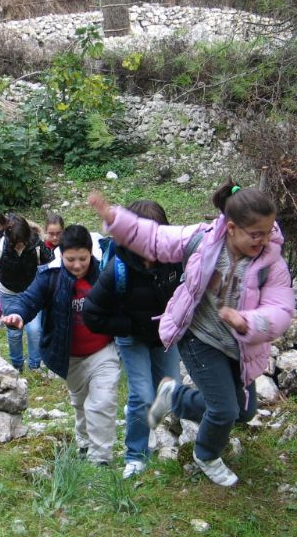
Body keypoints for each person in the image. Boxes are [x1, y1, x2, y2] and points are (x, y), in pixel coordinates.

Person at [89, 181, 294, 487]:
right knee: (224, 410)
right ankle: (207, 454)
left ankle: (173, 396)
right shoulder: (203, 240)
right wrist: (116, 218)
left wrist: (248, 322)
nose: (263, 240)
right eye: (256, 234)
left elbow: (281, 309)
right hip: (200, 339)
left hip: (240, 347)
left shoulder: (270, 264)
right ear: (233, 227)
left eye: (268, 232)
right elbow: (155, 237)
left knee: (244, 412)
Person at [0, 225, 120, 465]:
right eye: (70, 259)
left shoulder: (105, 275)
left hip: (103, 351)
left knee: (102, 402)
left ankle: (101, 458)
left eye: (83, 259)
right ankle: (85, 442)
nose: (77, 265)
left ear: (91, 254)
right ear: (61, 255)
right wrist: (17, 314)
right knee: (81, 402)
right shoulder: (50, 277)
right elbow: (28, 300)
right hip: (70, 356)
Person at [83, 200, 183, 479]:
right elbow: (91, 313)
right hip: (132, 338)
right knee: (143, 395)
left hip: (164, 337)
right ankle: (136, 455)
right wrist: (125, 325)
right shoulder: (119, 268)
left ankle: (139, 412)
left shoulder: (175, 257)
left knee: (170, 393)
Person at [0, 214, 54, 372]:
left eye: (22, 243)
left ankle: (35, 365)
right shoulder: (0, 246)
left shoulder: (36, 244)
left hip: (32, 293)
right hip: (8, 293)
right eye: (15, 243)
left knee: (34, 330)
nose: (19, 246)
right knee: (14, 332)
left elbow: (52, 265)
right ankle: (17, 366)